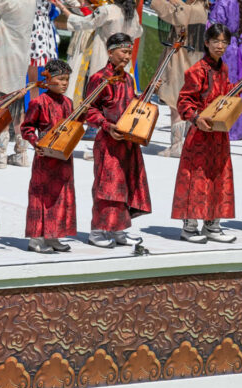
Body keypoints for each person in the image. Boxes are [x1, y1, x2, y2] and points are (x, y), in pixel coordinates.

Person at [172, 22, 242, 244]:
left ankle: (212, 225)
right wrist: (196, 118)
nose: (220, 46)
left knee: (218, 176)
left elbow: (225, 95)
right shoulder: (196, 71)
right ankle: (189, 226)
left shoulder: (223, 68)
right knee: (196, 178)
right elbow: (184, 101)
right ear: (206, 43)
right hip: (200, 134)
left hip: (218, 134)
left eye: (224, 42)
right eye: (216, 41)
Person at [84, 32, 151, 247]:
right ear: (110, 52)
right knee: (107, 187)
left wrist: (147, 95)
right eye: (123, 51)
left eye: (129, 52)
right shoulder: (99, 78)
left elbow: (131, 107)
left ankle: (120, 230)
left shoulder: (129, 79)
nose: (127, 56)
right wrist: (106, 125)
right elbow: (89, 110)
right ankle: (97, 231)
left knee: (126, 186)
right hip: (108, 142)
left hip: (128, 141)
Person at [21, 59, 76, 253]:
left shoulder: (69, 103)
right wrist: (35, 143)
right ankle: (36, 239)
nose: (64, 83)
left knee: (61, 195)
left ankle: (53, 235)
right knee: (41, 195)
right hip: (44, 156)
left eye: (67, 79)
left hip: (64, 156)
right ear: (49, 78)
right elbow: (26, 127)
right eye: (60, 79)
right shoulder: (38, 102)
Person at [0, 0, 36, 169]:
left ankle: (0, 154)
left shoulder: (12, 2)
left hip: (6, 55)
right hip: (20, 55)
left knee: (2, 103)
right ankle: (21, 153)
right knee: (18, 106)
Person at [54, 0, 143, 106]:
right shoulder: (133, 14)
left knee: (100, 95)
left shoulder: (107, 11)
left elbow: (83, 22)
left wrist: (63, 9)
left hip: (105, 59)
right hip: (123, 62)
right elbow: (139, 32)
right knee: (118, 95)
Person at [148, 0, 208, 157]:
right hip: (193, 60)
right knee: (188, 103)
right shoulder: (202, 8)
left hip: (180, 59)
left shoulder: (189, 9)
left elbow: (175, 17)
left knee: (175, 102)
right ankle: (187, 144)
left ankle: (177, 146)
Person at [209, 0, 242, 141]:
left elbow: (213, 27)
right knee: (237, 87)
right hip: (237, 46)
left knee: (222, 86)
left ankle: (221, 125)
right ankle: (236, 128)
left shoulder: (224, 2)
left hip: (225, 47)